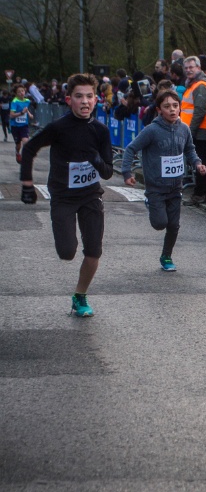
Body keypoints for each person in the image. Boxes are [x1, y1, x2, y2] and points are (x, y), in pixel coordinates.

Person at [19, 73, 113, 317]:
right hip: (63, 197)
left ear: (96, 100)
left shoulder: (101, 130)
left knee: (94, 251)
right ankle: (69, 254)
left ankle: (80, 296)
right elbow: (29, 149)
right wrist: (27, 184)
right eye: (79, 96)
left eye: (89, 96)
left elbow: (108, 172)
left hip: (91, 195)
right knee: (67, 252)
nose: (85, 101)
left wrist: (96, 160)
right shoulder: (58, 127)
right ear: (69, 99)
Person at [122, 90, 206, 271]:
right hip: (156, 187)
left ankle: (166, 256)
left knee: (173, 225)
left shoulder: (184, 129)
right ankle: (150, 203)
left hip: (176, 187)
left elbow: (190, 149)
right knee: (160, 223)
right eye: (167, 106)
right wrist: (127, 173)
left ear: (180, 107)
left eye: (175, 106)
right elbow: (131, 149)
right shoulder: (151, 130)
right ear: (159, 110)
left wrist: (198, 163)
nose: (172, 110)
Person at [181, 56, 206, 205]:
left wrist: (190, 131)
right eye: (186, 68)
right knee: (200, 160)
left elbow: (199, 111)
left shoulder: (200, 85)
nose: (188, 70)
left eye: (191, 67)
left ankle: (201, 192)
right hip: (196, 129)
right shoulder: (194, 84)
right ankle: (202, 191)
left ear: (199, 68)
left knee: (200, 161)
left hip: (199, 130)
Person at [10, 83, 34, 163]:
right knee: (18, 145)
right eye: (19, 92)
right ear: (16, 93)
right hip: (15, 126)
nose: (21, 93)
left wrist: (29, 114)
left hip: (24, 125)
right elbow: (11, 115)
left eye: (22, 91)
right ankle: (17, 153)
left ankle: (25, 157)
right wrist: (21, 113)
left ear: (25, 91)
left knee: (26, 141)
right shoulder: (14, 102)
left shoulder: (27, 101)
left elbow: (26, 109)